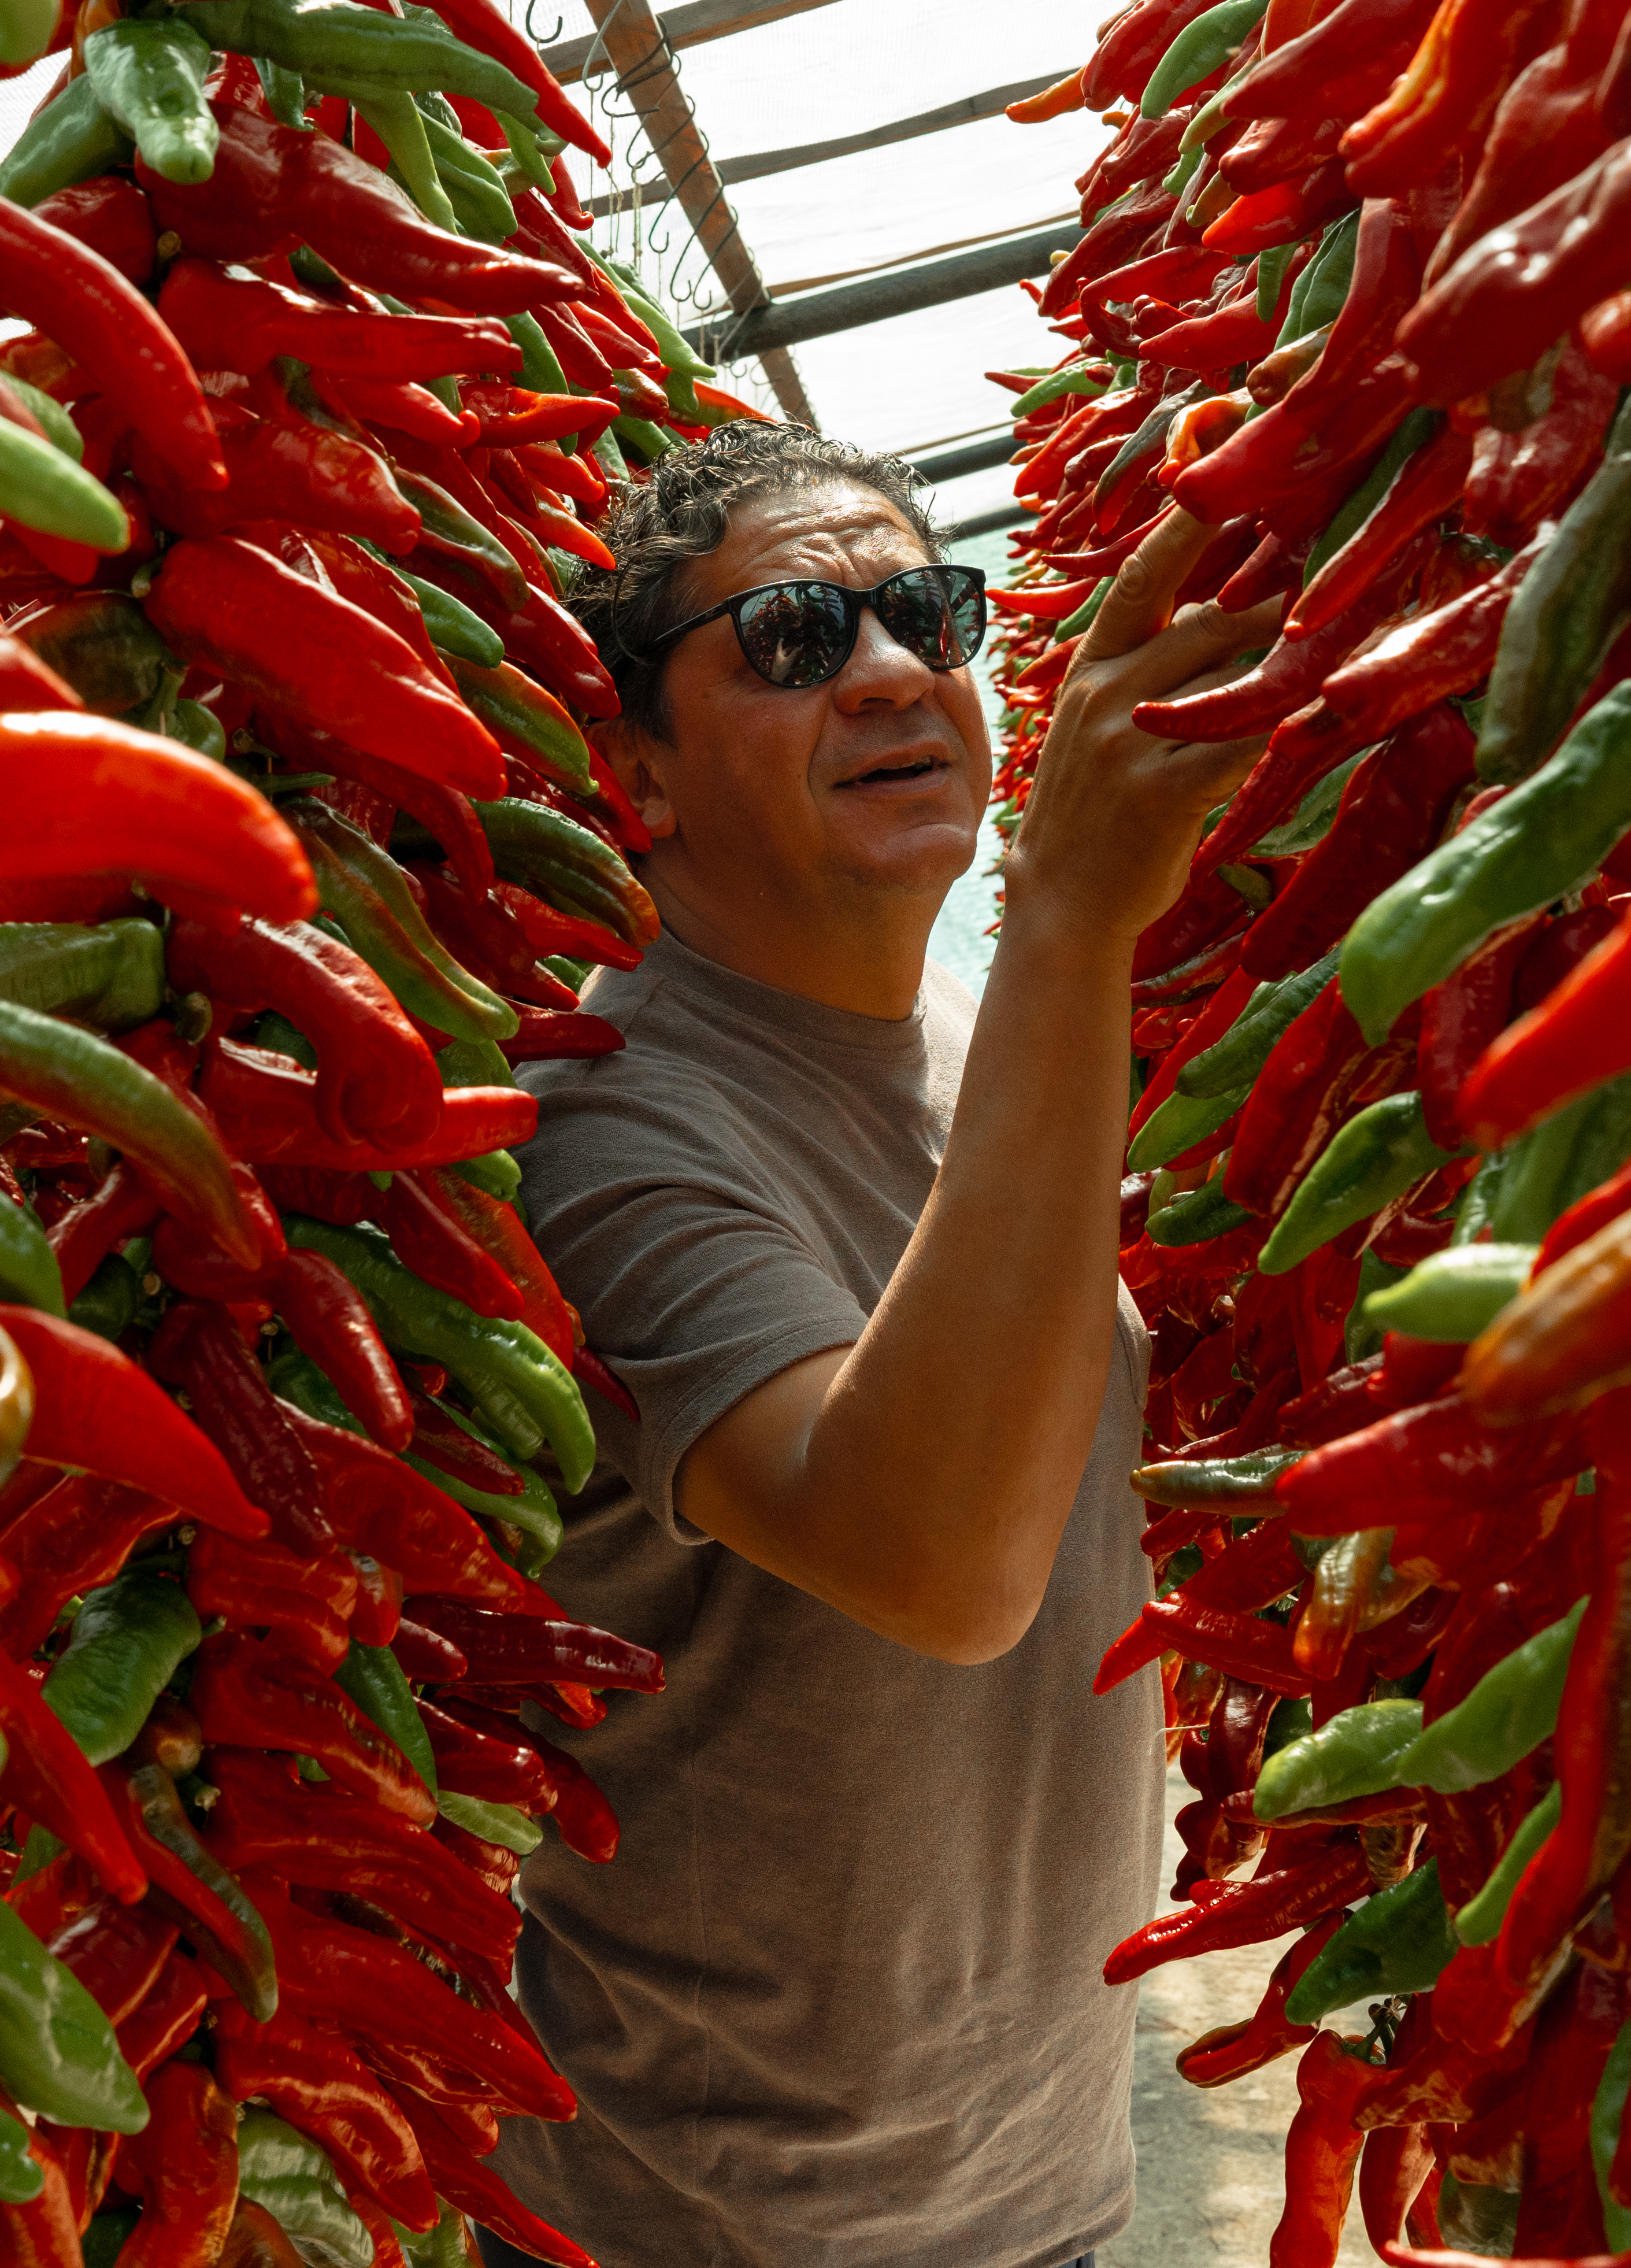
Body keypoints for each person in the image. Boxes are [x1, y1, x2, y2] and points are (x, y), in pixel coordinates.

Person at [477, 421, 1280, 2268]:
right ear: (638, 779)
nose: (893, 670)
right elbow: (940, 1562)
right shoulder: (598, 1126)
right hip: (715, 2229)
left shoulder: (969, 1025)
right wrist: (1074, 911)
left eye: (926, 614)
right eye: (792, 638)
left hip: (1032, 2174)